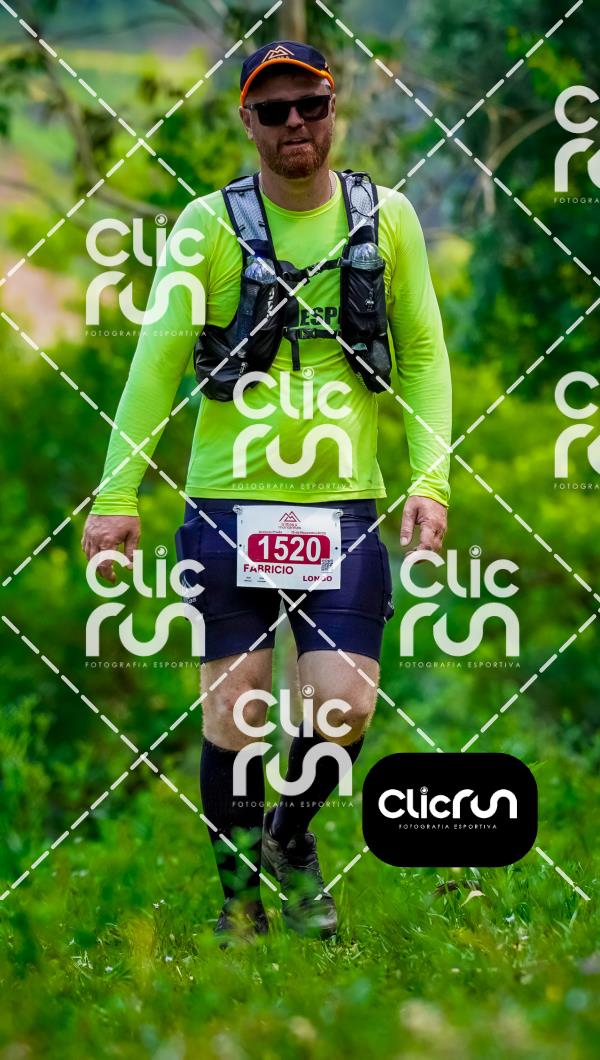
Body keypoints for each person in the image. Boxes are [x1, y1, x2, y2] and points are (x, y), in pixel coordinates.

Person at [82, 40, 451, 943]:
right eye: (275, 110)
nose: (296, 124)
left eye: (310, 105)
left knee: (345, 703)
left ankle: (288, 837)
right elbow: (154, 365)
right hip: (226, 505)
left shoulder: (389, 218)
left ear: (333, 110)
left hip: (343, 505)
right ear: (248, 121)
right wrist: (116, 496)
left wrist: (429, 478)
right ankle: (239, 908)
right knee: (236, 708)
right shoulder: (204, 227)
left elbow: (424, 355)